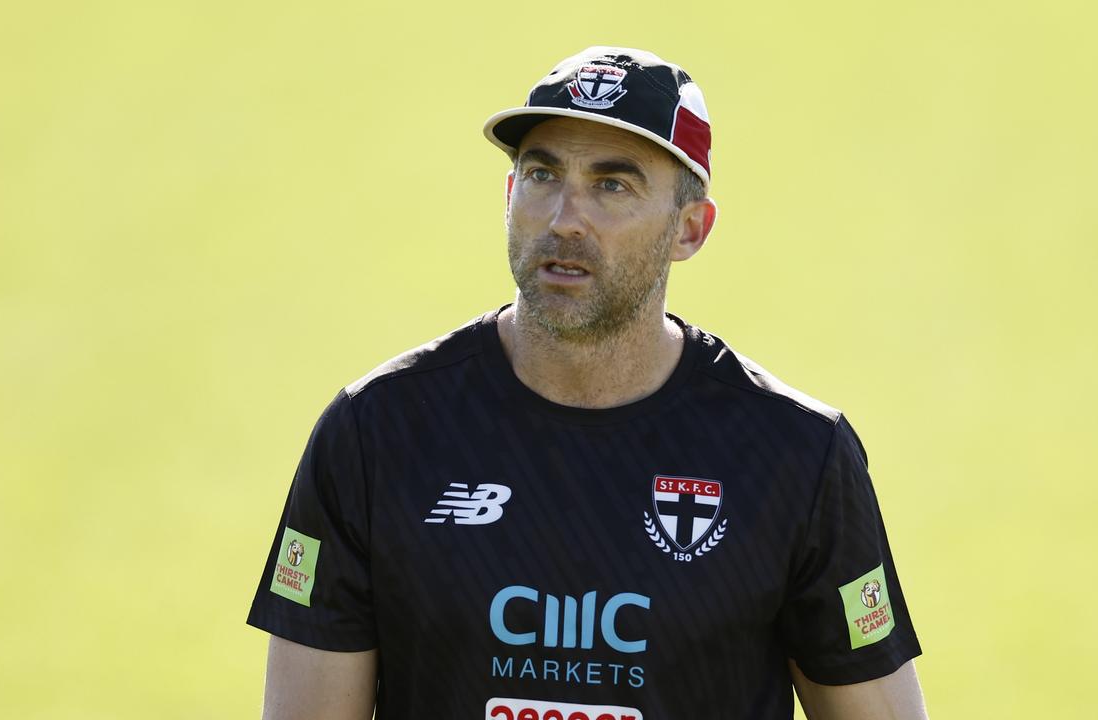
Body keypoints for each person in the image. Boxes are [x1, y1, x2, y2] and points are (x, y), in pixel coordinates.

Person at [247, 46, 927, 720]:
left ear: (689, 229)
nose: (564, 218)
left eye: (612, 185)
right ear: (510, 195)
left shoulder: (797, 457)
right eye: (542, 174)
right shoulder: (376, 434)